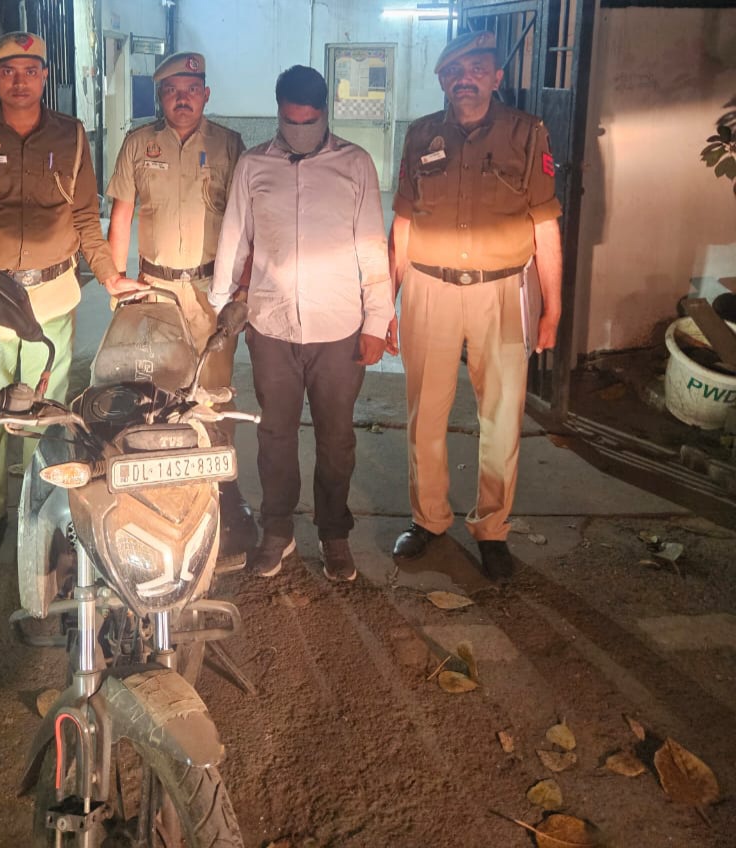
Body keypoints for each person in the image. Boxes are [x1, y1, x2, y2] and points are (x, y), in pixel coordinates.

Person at [0, 31, 135, 563]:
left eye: (29, 70)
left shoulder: (70, 135)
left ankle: (40, 509)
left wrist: (110, 276)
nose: (19, 81)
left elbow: (86, 218)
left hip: (52, 296)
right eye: (7, 71)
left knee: (44, 412)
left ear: (44, 76)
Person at [388, 31, 563, 581]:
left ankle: (492, 529)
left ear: (496, 77)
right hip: (428, 289)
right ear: (442, 79)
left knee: (502, 416)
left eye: (477, 69)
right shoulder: (421, 134)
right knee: (424, 413)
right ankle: (428, 519)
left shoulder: (527, 133)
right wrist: (386, 301)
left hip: (504, 291)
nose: (464, 79)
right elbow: (402, 224)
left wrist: (552, 308)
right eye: (454, 72)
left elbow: (545, 225)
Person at [211, 65, 395, 583]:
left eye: (309, 123)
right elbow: (235, 236)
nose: (299, 132)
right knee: (275, 435)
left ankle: (334, 534)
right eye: (290, 123)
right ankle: (277, 531)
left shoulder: (355, 164)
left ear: (324, 114)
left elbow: (371, 245)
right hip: (271, 325)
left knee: (336, 439)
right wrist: (221, 305)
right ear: (278, 113)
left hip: (339, 327)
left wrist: (377, 320)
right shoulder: (254, 165)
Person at [106, 51, 257, 559]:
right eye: (172, 90)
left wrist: (241, 290)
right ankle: (162, 485)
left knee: (214, 394)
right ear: (160, 97)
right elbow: (122, 213)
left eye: (192, 89)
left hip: (211, 291)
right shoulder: (138, 144)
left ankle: (224, 490)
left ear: (206, 95)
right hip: (154, 289)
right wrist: (117, 282)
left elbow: (246, 220)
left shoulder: (230, 145)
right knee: (157, 390)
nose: (182, 98)